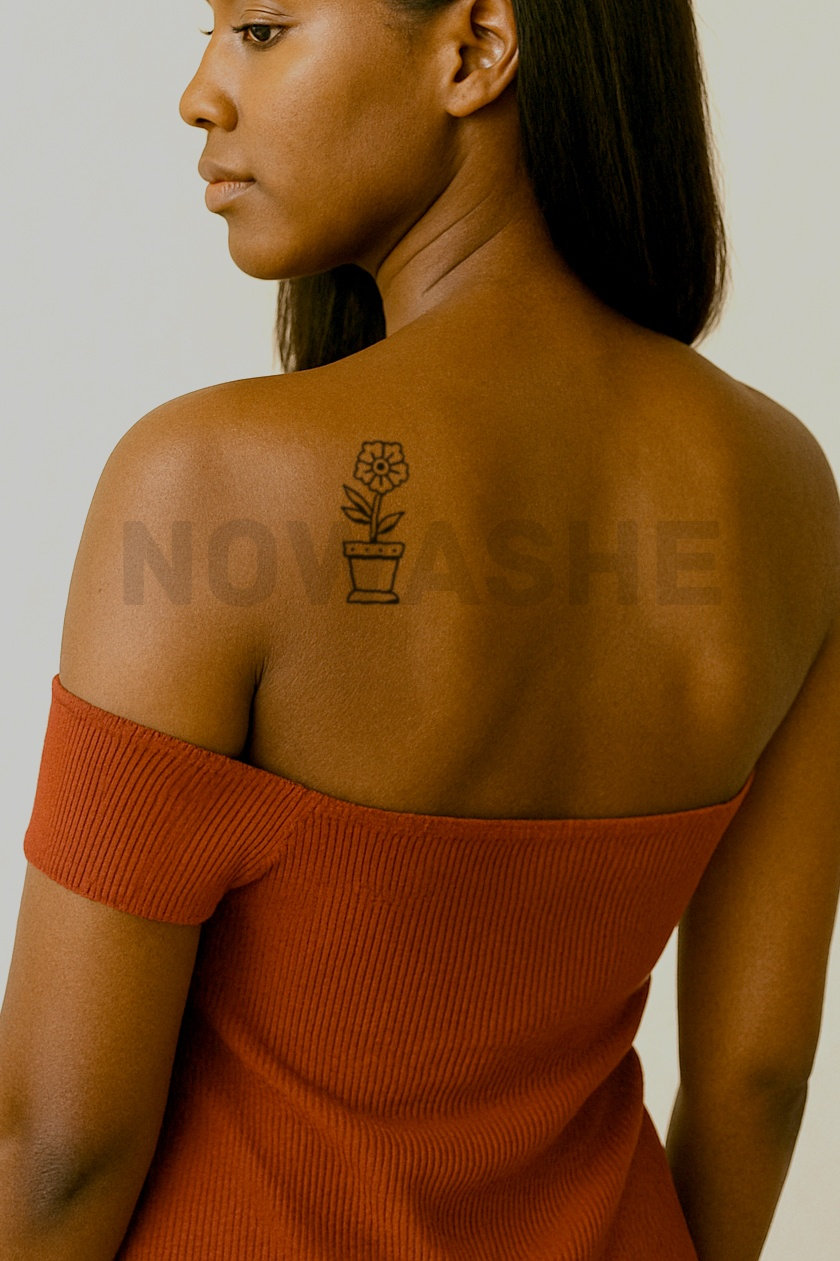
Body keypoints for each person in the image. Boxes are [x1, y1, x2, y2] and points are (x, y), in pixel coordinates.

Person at [0, 0, 837, 1257]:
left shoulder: (211, 483)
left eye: (263, 29)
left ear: (476, 49)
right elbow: (757, 1082)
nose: (200, 95)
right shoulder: (786, 492)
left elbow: (58, 1151)